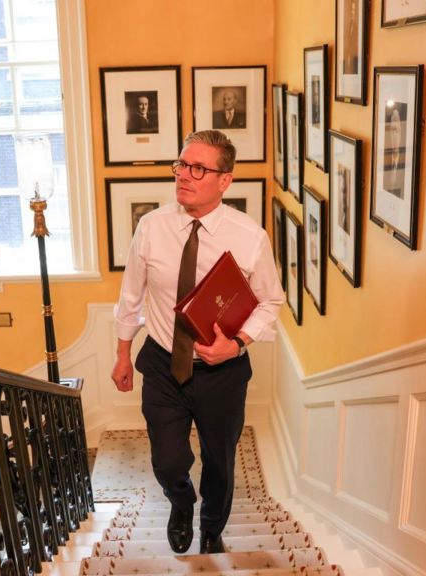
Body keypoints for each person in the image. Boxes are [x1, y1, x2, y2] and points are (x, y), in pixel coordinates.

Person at [112, 130, 283, 555]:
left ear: (225, 180)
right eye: (181, 165)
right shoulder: (151, 227)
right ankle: (181, 502)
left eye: (199, 169)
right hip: (162, 362)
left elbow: (272, 301)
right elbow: (131, 296)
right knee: (167, 460)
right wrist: (120, 353)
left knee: (221, 461)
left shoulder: (250, 237)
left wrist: (238, 343)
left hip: (222, 371)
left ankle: (211, 527)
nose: (184, 176)